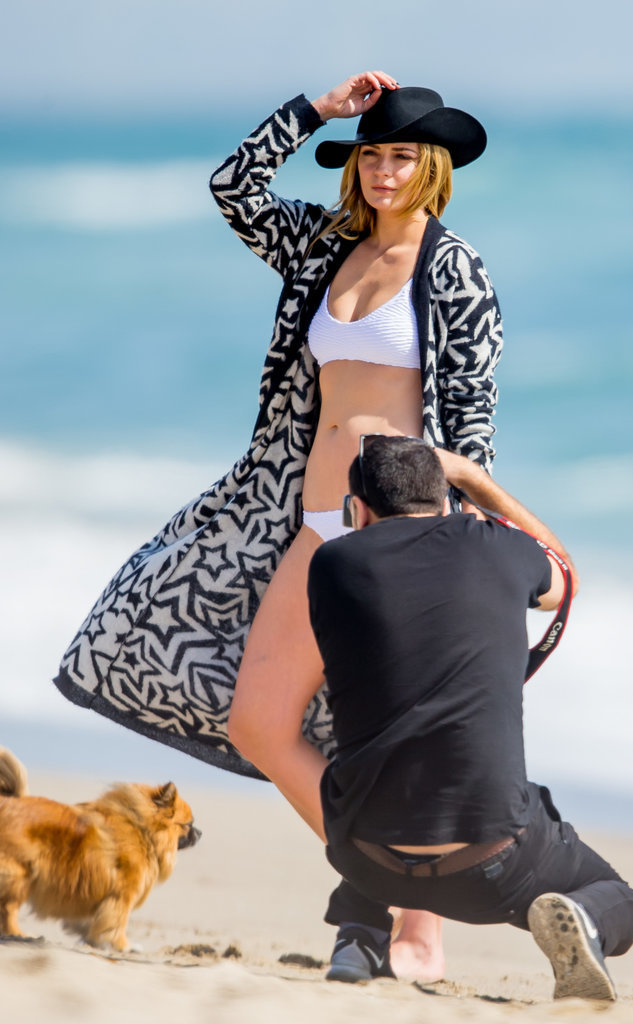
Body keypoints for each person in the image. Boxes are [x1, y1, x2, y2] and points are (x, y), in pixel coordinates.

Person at [54, 72, 569, 978]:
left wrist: (495, 538)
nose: (383, 171)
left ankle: (412, 929)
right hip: (308, 522)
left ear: (434, 167)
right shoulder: (323, 246)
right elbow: (233, 187)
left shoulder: (456, 270)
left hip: (401, 537)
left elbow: (470, 433)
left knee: (392, 739)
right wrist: (314, 112)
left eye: (402, 156)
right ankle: (382, 886)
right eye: (371, 156)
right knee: (261, 721)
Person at [307, 436, 633, 999]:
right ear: (446, 500)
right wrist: (476, 481)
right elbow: (565, 580)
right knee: (618, 895)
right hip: (492, 868)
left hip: (365, 855)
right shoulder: (501, 551)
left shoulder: (331, 565)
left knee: (383, 783)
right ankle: (585, 919)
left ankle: (359, 937)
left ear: (357, 511)